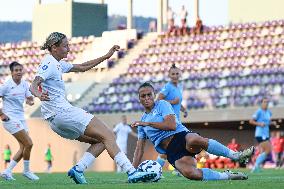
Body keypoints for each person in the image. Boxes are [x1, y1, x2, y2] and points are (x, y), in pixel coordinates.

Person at [29, 32, 156, 184]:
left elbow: (82, 67)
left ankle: (78, 169)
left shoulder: (57, 64)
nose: (68, 49)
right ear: (54, 47)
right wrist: (38, 94)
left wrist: (106, 57)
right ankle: (132, 172)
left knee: (101, 141)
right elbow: (34, 84)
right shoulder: (49, 63)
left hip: (55, 122)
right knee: (109, 135)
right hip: (63, 113)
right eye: (65, 46)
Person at [132, 82, 255, 181]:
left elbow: (171, 125)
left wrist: (148, 123)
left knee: (194, 139)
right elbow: (139, 149)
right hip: (171, 151)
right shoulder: (141, 123)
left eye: (149, 95)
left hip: (180, 136)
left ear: (154, 95)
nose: (147, 98)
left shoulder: (162, 105)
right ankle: (227, 175)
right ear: (139, 99)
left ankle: (236, 156)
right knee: (191, 174)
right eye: (143, 96)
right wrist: (132, 172)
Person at [0, 61, 39, 181]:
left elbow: (29, 98)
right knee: (29, 143)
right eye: (16, 70)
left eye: (20, 70)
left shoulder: (25, 84)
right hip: (10, 118)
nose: (18, 72)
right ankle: (26, 171)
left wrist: (30, 101)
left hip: (21, 118)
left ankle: (7, 171)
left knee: (24, 147)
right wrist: (1, 114)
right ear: (11, 73)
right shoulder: (6, 86)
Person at [155, 64, 188, 175]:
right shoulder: (167, 87)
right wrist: (172, 102)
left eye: (177, 73)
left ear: (180, 74)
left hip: (177, 120)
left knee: (178, 144)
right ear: (169, 75)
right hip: (169, 121)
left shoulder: (179, 87)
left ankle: (174, 169)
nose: (175, 76)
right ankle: (158, 170)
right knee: (173, 146)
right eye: (172, 74)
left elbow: (178, 101)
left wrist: (184, 110)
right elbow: (158, 100)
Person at [249, 97, 275, 172]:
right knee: (268, 149)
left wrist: (272, 123)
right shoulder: (259, 111)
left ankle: (256, 166)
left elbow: (267, 122)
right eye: (264, 102)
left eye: (267, 102)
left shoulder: (269, 112)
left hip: (266, 134)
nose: (266, 103)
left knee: (266, 151)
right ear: (261, 103)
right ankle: (255, 166)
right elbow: (251, 121)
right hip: (260, 134)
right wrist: (259, 124)